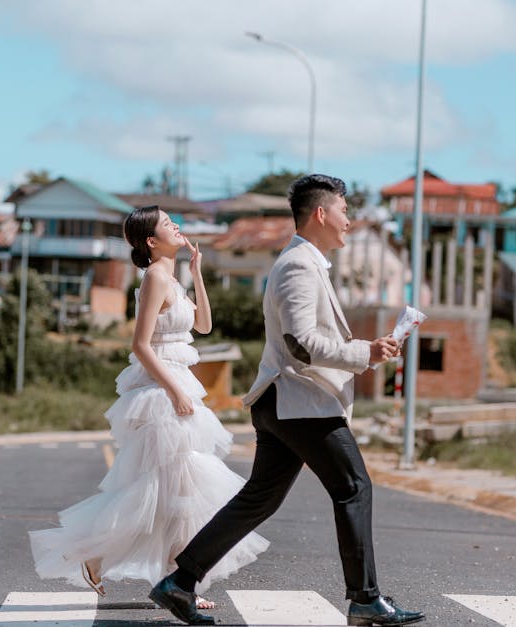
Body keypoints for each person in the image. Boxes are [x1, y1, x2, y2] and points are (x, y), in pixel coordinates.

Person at [149, 175, 426, 626]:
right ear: (321, 213)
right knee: (354, 487)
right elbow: (301, 342)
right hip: (299, 402)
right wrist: (364, 353)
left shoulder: (307, 263)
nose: (349, 221)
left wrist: (369, 352)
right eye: (344, 211)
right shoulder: (298, 265)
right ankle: (364, 598)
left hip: (284, 401)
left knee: (260, 498)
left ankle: (179, 583)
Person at [29, 205, 267, 609]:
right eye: (168, 224)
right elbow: (140, 345)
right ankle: (172, 581)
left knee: (174, 490)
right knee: (169, 488)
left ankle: (127, 566)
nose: (177, 226)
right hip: (161, 389)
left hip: (178, 382)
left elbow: (204, 326)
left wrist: (197, 272)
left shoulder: (172, 278)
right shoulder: (155, 276)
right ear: (152, 241)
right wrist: (174, 391)